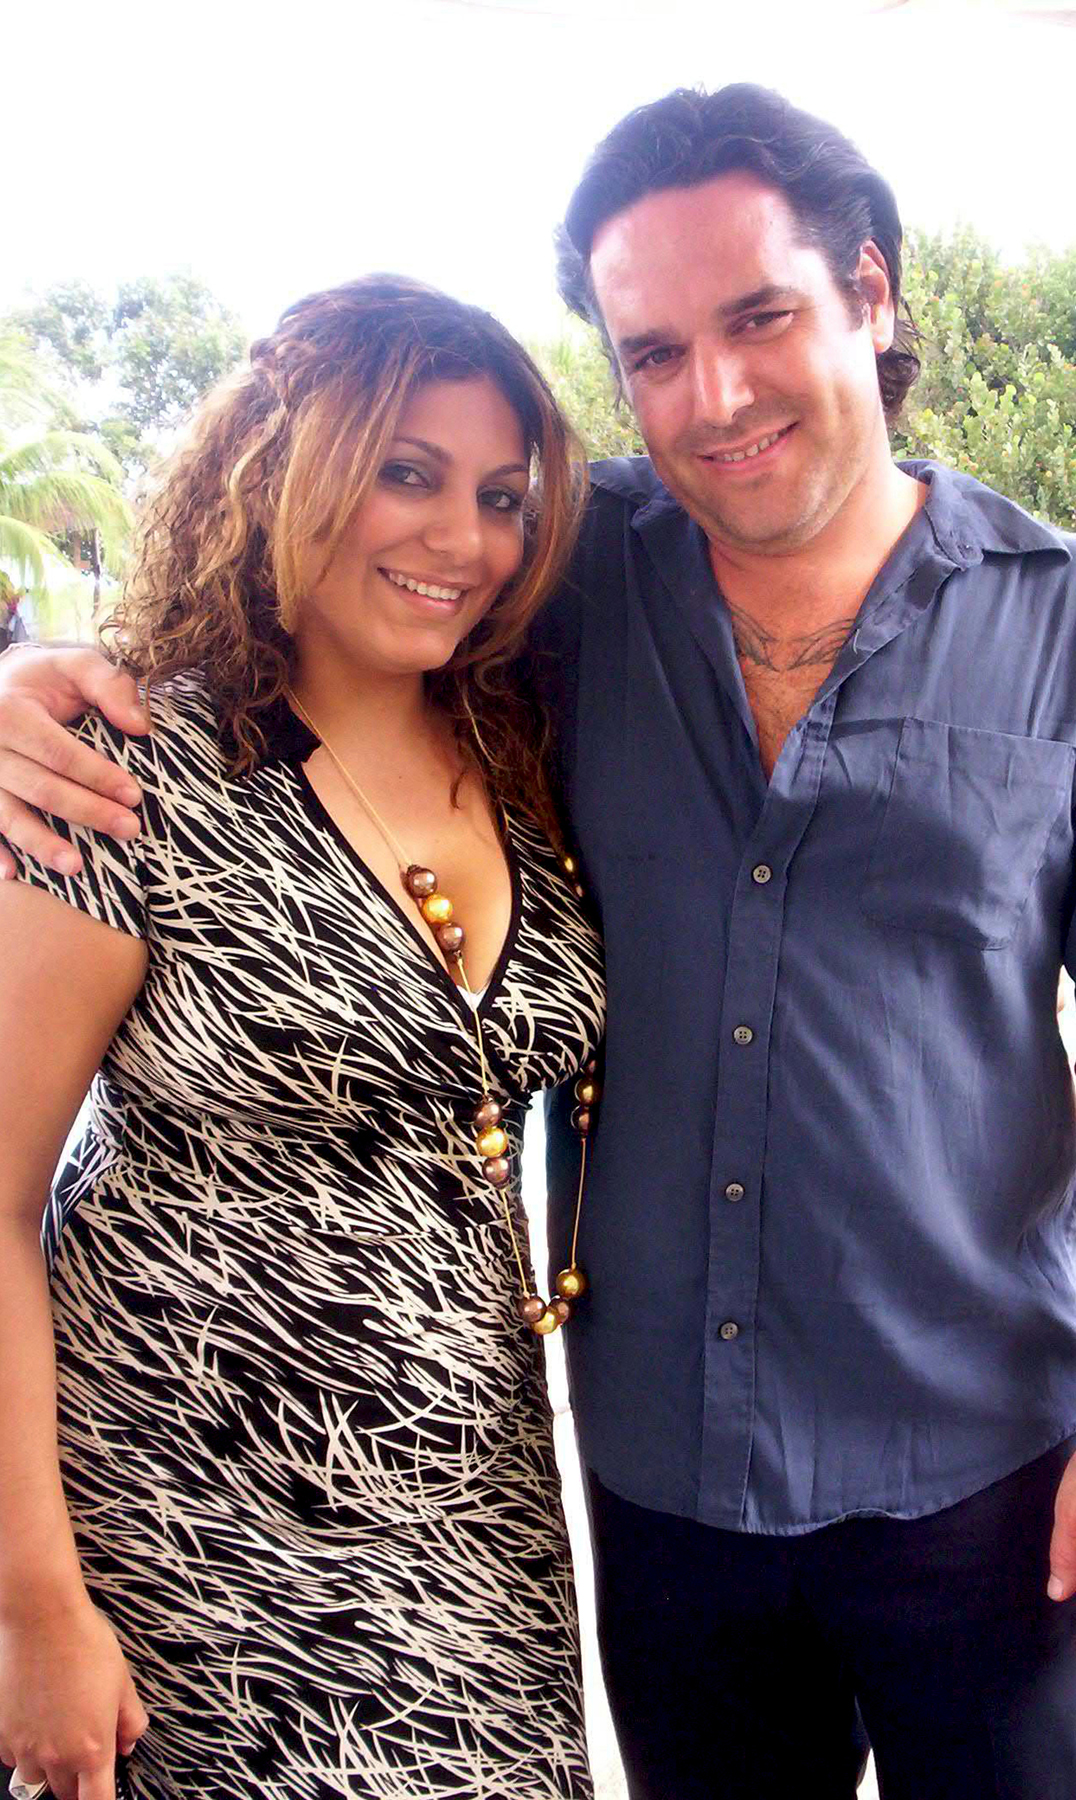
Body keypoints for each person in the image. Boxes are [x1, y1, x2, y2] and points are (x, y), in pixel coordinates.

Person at [2, 83, 1076, 1799]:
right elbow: (303, 587)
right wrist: (40, 685)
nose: (714, 395)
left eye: (759, 317)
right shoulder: (565, 577)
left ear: (869, 292)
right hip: (650, 1477)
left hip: (984, 1478)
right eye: (653, 352)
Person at [0, 274, 604, 1800]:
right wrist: (34, 1612)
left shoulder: (519, 740)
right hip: (190, 1523)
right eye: (406, 472)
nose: (462, 539)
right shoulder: (126, 767)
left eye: (502, 497)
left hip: (477, 1509)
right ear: (279, 467)